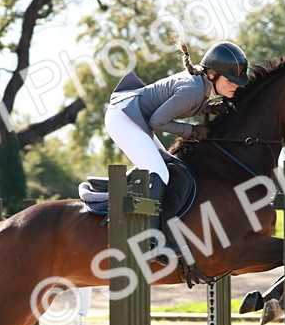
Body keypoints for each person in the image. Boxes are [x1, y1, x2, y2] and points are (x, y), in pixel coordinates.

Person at [105, 41, 250, 221]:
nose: (235, 85)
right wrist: (193, 131)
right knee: (159, 172)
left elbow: (187, 106)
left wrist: (210, 109)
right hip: (123, 117)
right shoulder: (194, 90)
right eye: (230, 80)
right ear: (212, 75)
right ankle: (148, 234)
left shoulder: (201, 84)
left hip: (136, 116)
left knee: (168, 166)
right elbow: (157, 121)